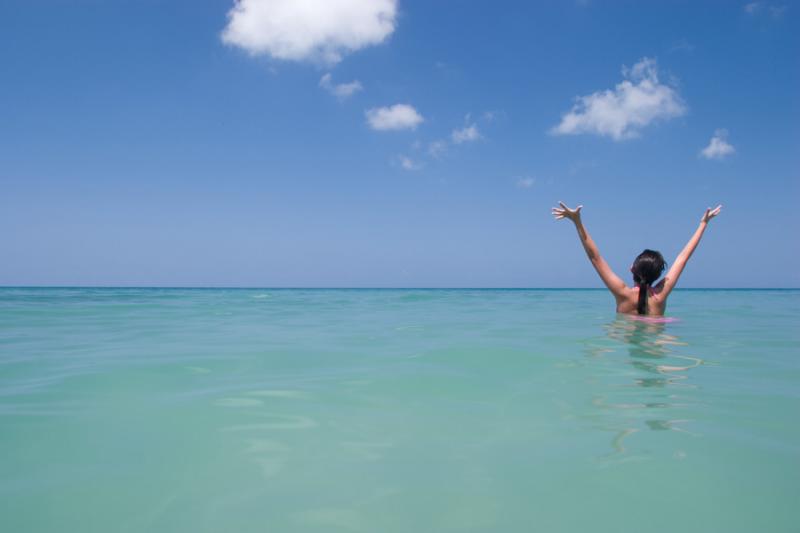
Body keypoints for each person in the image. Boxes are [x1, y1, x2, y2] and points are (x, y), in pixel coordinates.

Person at [551, 202, 722, 316]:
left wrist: (577, 222)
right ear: (656, 275)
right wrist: (703, 224)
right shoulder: (660, 296)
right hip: (656, 342)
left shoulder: (622, 293)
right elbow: (683, 258)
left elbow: (595, 258)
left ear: (632, 268)